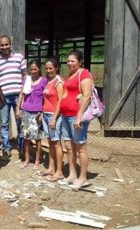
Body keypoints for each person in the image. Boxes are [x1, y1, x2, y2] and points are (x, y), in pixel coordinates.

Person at [59, 50, 93, 189]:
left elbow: (87, 96)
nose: (70, 63)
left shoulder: (84, 74)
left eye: (73, 61)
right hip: (66, 115)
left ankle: (83, 177)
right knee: (69, 147)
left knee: (80, 148)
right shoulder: (71, 75)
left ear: (80, 62)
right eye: (68, 61)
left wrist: (79, 116)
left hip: (76, 116)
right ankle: (72, 174)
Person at [0, 35, 27, 160]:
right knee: (4, 123)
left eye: (7, 44)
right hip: (4, 97)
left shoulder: (19, 57)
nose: (4, 47)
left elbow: (24, 76)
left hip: (18, 95)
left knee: (20, 123)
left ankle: (22, 149)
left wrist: (24, 92)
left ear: (11, 45)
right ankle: (6, 148)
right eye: (2, 45)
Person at [15, 60, 47, 170]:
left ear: (39, 69)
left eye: (35, 69)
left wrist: (43, 112)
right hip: (26, 111)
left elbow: (46, 98)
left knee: (38, 138)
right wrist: (18, 108)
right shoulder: (27, 80)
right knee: (26, 137)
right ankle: (27, 159)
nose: (33, 71)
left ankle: (37, 160)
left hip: (37, 112)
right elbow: (21, 94)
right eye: (31, 69)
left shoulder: (43, 81)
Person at [41, 58, 65, 181]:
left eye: (51, 68)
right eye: (46, 68)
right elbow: (46, 99)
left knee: (56, 143)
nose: (48, 70)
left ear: (56, 68)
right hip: (46, 115)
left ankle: (59, 171)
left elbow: (60, 100)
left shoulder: (58, 82)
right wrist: (42, 113)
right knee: (50, 142)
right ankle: (51, 167)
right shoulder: (48, 81)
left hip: (54, 116)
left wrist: (55, 118)